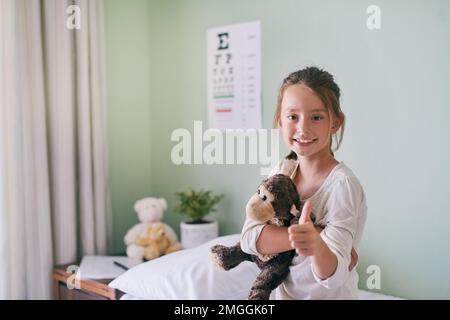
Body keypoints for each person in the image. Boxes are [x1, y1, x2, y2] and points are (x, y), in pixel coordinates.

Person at [240, 66, 367, 299]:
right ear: (280, 119)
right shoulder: (282, 171)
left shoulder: (342, 186)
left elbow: (335, 276)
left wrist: (317, 246)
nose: (303, 128)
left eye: (316, 117)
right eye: (292, 116)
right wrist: (313, 233)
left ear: (335, 123)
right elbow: (249, 240)